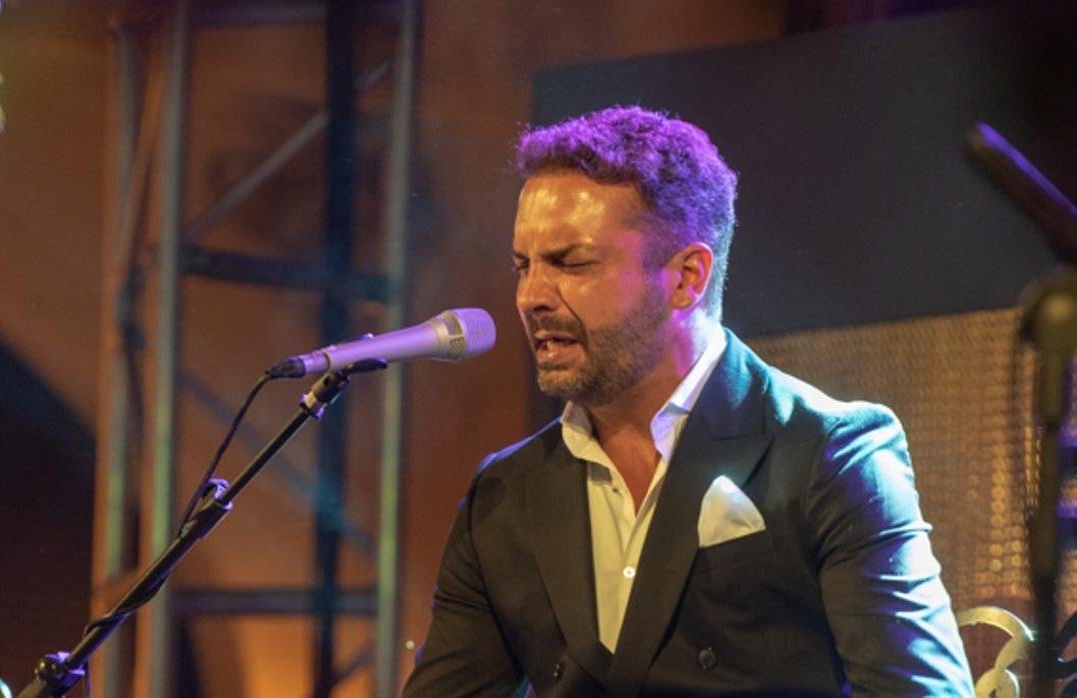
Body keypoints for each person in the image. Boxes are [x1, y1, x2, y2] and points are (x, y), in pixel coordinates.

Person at [404, 106, 973, 696]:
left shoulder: (830, 453)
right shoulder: (502, 495)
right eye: (523, 265)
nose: (531, 297)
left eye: (571, 263)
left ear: (686, 277)